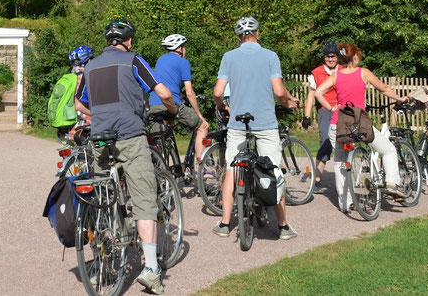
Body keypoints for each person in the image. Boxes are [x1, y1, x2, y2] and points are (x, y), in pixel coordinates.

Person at [75, 18, 176, 295]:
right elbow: (162, 91)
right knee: (144, 200)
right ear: (128, 40)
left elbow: (78, 103)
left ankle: (100, 262)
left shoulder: (91, 66)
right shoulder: (133, 60)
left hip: (99, 139)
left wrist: (99, 117)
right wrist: (172, 109)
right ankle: (152, 270)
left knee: (102, 200)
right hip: (130, 136)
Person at [212, 17, 300, 241]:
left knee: (232, 168)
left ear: (237, 37)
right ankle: (282, 226)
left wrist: (222, 106)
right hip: (265, 122)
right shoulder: (270, 56)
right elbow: (280, 92)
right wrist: (287, 103)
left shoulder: (228, 57)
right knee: (273, 170)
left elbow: (217, 92)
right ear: (258, 33)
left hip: (237, 123)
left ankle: (224, 224)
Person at [314, 42, 408, 211]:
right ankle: (392, 183)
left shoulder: (336, 75)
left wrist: (331, 108)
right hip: (359, 123)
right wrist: (400, 99)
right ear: (355, 57)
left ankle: (345, 203)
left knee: (340, 162)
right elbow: (384, 89)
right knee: (388, 150)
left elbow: (318, 92)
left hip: (338, 123)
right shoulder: (363, 73)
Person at [149, 33, 209, 172]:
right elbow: (189, 92)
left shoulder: (160, 60)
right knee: (202, 127)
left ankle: (163, 171)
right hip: (171, 105)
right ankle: (200, 170)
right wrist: (199, 114)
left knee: (159, 142)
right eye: (184, 47)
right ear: (180, 48)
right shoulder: (183, 62)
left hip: (153, 105)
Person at [302, 42, 340, 194]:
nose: (330, 59)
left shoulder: (344, 70)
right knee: (326, 141)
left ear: (338, 57)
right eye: (328, 56)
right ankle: (316, 180)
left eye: (333, 56)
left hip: (343, 109)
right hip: (326, 110)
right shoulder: (316, 73)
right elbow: (311, 95)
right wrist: (307, 115)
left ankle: (346, 178)